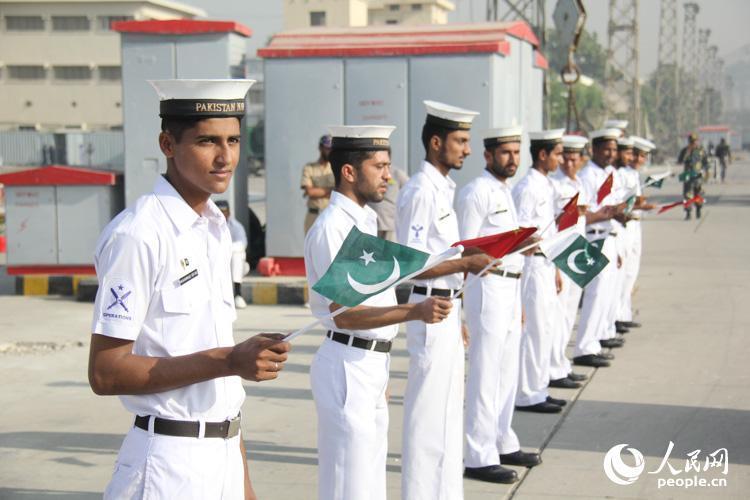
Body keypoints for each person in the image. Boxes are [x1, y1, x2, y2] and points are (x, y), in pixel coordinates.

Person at [87, 79, 291, 500]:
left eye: (233, 140)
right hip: (167, 465)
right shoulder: (139, 235)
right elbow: (106, 372)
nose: (225, 157)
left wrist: (244, 483)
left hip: (224, 456)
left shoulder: (216, 229)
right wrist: (229, 359)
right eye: (207, 141)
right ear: (167, 143)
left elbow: (222, 391)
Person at [304, 125, 452, 500]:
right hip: (347, 364)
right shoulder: (332, 229)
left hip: (368, 365)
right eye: (380, 166)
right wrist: (414, 311)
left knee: (368, 484)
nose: (389, 175)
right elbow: (345, 316)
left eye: (388, 165)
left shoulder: (364, 221)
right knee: (347, 486)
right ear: (349, 172)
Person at [396, 100, 493, 500]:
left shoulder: (442, 190)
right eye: (460, 141)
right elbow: (409, 266)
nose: (466, 150)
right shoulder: (420, 191)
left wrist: (461, 306)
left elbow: (442, 260)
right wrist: (467, 261)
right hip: (427, 310)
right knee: (426, 421)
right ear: (436, 142)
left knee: (450, 415)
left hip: (447, 309)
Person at [458, 126, 542, 485]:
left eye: (516, 152)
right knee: (486, 373)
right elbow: (462, 249)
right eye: (505, 152)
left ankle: (502, 440)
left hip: (510, 290)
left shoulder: (505, 192)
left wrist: (522, 246)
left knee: (508, 372)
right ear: (488, 155)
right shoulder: (475, 192)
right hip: (487, 288)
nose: (513, 159)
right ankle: (478, 454)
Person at [512, 128, 568, 414]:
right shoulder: (527, 188)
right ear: (543, 154)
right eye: (557, 153)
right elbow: (518, 233)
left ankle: (539, 387)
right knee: (533, 330)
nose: (561, 158)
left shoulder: (546, 185)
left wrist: (557, 267)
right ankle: (527, 392)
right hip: (531, 266)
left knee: (545, 328)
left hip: (546, 264)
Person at [573, 128, 625, 368]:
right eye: (606, 149)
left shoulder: (610, 173)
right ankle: (584, 347)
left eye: (614, 149)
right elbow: (583, 213)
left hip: (609, 235)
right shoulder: (587, 175)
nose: (610, 154)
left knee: (605, 294)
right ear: (594, 149)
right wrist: (604, 213)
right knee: (594, 295)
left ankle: (594, 342)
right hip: (593, 237)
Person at [549, 135, 590, 389]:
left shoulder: (580, 183)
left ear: (581, 160)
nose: (569, 163)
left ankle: (562, 362)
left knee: (569, 313)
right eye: (565, 158)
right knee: (559, 314)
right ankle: (554, 368)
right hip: (562, 251)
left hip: (578, 250)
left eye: (574, 159)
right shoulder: (556, 186)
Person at [618, 136, 658, 330]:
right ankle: (618, 315)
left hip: (635, 224)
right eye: (636, 155)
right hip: (624, 225)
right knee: (624, 272)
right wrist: (643, 203)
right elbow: (625, 202)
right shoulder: (623, 174)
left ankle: (624, 312)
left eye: (643, 156)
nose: (639, 160)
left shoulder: (633, 175)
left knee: (631, 271)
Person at [216, 200, 250, 309]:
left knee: (238, 254)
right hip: (216, 263)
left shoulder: (236, 226)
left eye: (224, 211)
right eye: (219, 211)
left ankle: (237, 294)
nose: (222, 214)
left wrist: (224, 249)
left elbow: (242, 244)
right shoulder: (206, 224)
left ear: (229, 213)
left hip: (234, 265)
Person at [301, 134, 335, 234]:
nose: (330, 152)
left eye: (331, 149)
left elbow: (340, 191)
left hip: (330, 215)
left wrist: (318, 190)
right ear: (320, 148)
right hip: (314, 215)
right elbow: (310, 192)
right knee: (312, 248)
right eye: (327, 148)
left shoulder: (335, 168)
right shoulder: (309, 168)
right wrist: (331, 190)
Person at [368, 166, 409, 241]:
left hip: (390, 224)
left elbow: (410, 191)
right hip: (372, 222)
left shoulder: (397, 174)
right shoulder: (371, 172)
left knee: (390, 250)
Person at [677, 133, 708, 220]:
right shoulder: (685, 150)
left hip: (698, 175)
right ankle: (688, 212)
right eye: (691, 141)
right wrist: (687, 152)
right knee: (687, 195)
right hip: (687, 175)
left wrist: (706, 172)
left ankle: (698, 209)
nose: (693, 143)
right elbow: (679, 161)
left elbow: (706, 162)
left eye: (695, 141)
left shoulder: (701, 150)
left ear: (697, 141)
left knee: (698, 194)